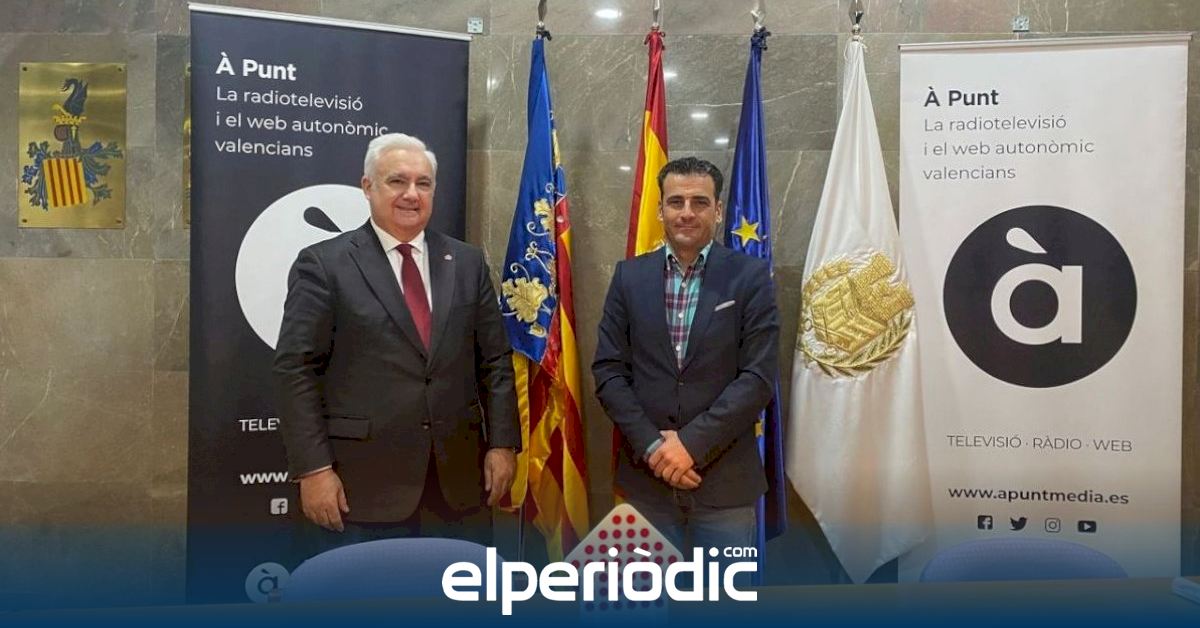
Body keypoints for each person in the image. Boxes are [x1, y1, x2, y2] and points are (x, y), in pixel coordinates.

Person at [274, 133, 519, 555]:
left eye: (423, 183)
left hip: (458, 486)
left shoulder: (466, 262)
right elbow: (296, 370)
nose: (411, 194)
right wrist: (313, 470)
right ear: (367, 187)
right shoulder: (324, 264)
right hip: (360, 489)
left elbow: (494, 361)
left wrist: (502, 444)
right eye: (397, 181)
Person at [592, 156, 779, 555]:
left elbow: (758, 377)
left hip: (725, 488)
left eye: (700, 202)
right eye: (676, 202)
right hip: (647, 482)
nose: (687, 213)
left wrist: (690, 445)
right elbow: (609, 372)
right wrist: (654, 448)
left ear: (718, 210)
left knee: (723, 596)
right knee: (642, 595)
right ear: (660, 209)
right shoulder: (628, 277)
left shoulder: (750, 278)